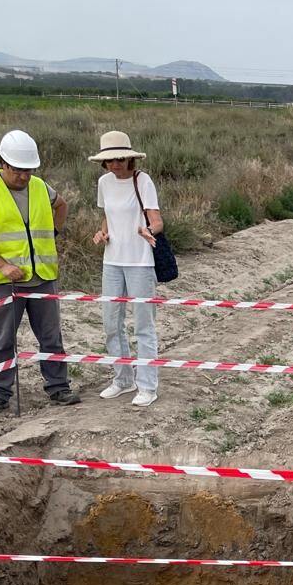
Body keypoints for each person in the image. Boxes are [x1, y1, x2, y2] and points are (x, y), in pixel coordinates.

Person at [0, 130, 80, 413]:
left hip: (43, 277)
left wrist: (53, 233)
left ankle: (58, 387)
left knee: (51, 337)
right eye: (18, 170)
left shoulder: (39, 186)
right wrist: (2, 265)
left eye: (29, 170)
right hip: (5, 281)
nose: (24, 176)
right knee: (1, 339)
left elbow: (61, 205)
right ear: (2, 163)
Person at [88, 130, 164, 407]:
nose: (114, 165)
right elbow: (107, 216)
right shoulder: (104, 183)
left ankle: (148, 386)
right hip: (112, 261)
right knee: (111, 323)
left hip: (140, 261)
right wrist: (103, 233)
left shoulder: (143, 181)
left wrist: (148, 231)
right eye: (109, 160)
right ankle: (122, 380)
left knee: (143, 325)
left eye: (119, 159)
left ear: (130, 159)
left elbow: (157, 221)